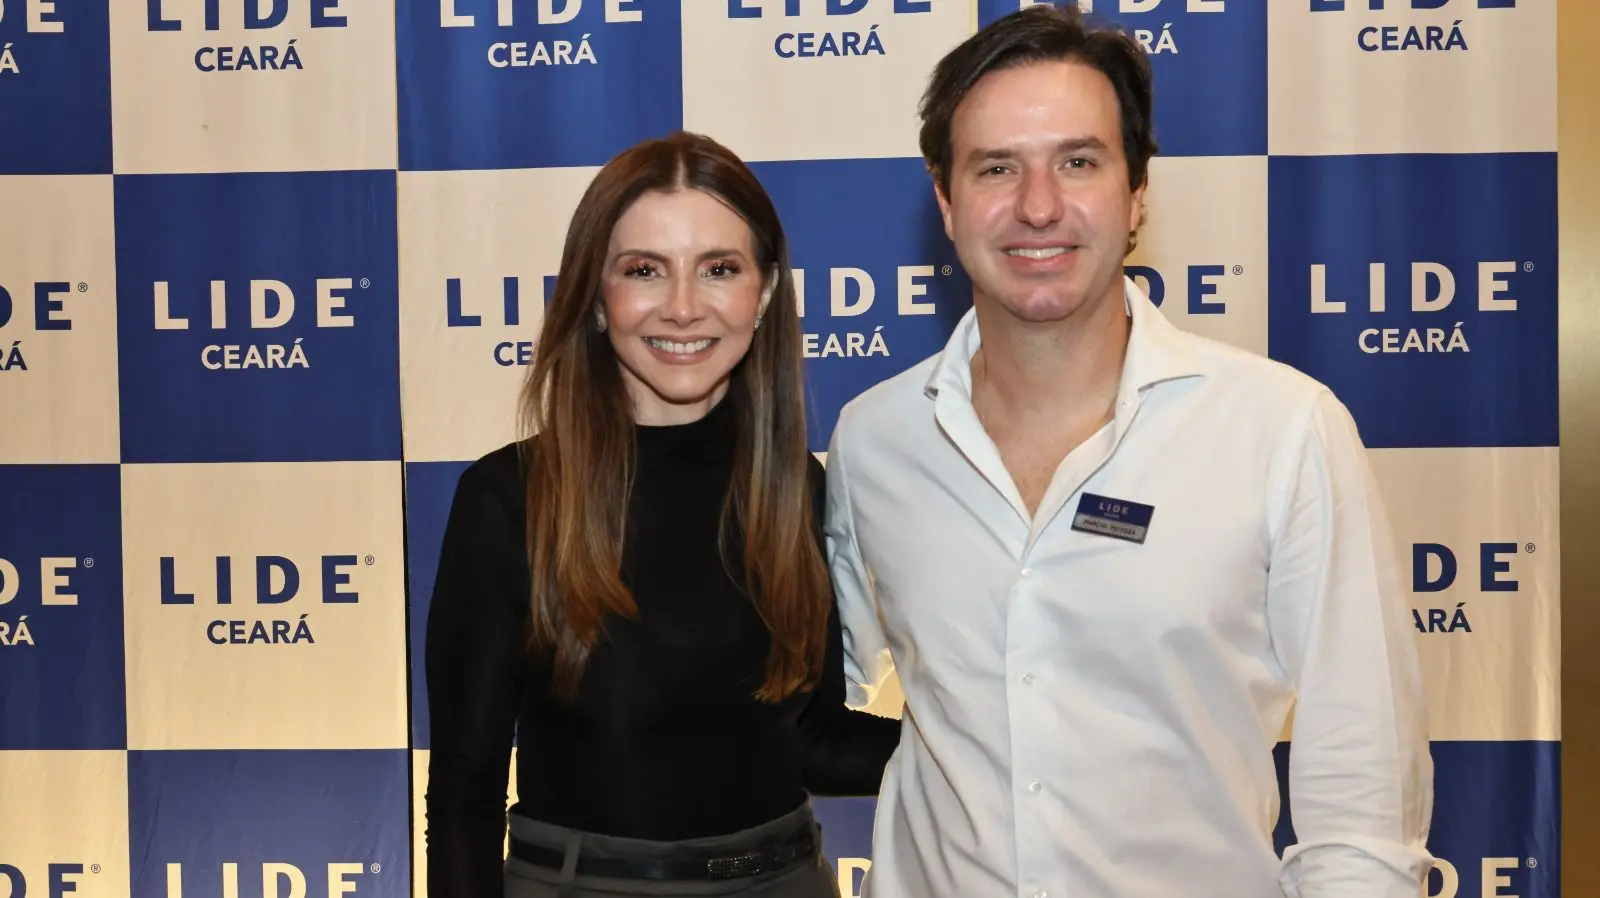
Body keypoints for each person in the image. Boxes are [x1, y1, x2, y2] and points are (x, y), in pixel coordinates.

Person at [822, 5, 1435, 898]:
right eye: (997, 167)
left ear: (1138, 190)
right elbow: (799, 705)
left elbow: (1363, 793)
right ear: (947, 199)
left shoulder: (1281, 430)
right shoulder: (876, 440)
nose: (1038, 206)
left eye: (1078, 161)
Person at [424, 130, 901, 898]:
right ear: (596, 297)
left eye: (720, 269)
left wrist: (992, 750)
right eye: (644, 270)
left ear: (764, 294)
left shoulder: (795, 489)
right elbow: (462, 795)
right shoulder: (510, 498)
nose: (682, 307)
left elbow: (808, 740)